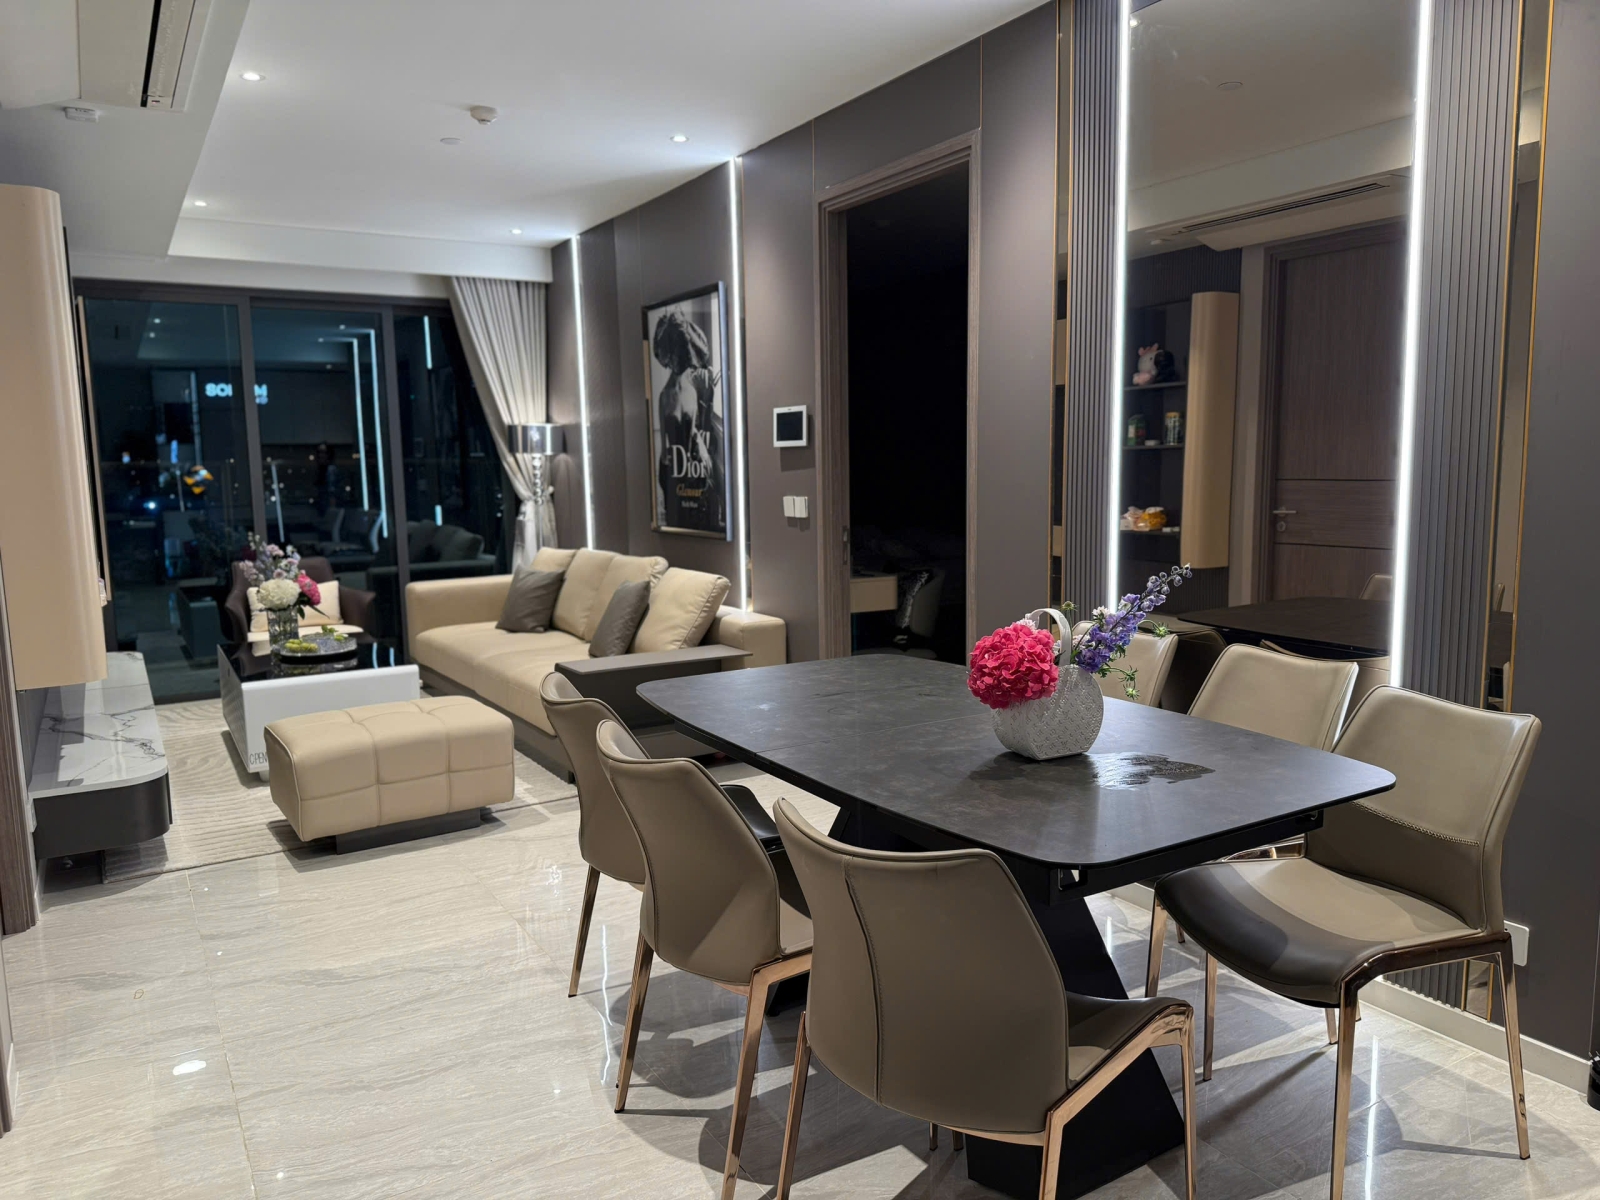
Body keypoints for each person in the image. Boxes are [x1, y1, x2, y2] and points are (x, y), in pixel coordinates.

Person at [652, 307, 725, 533]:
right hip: (684, 476)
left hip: (684, 475)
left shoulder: (677, 394)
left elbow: (670, 452)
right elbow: (670, 451)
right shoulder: (676, 395)